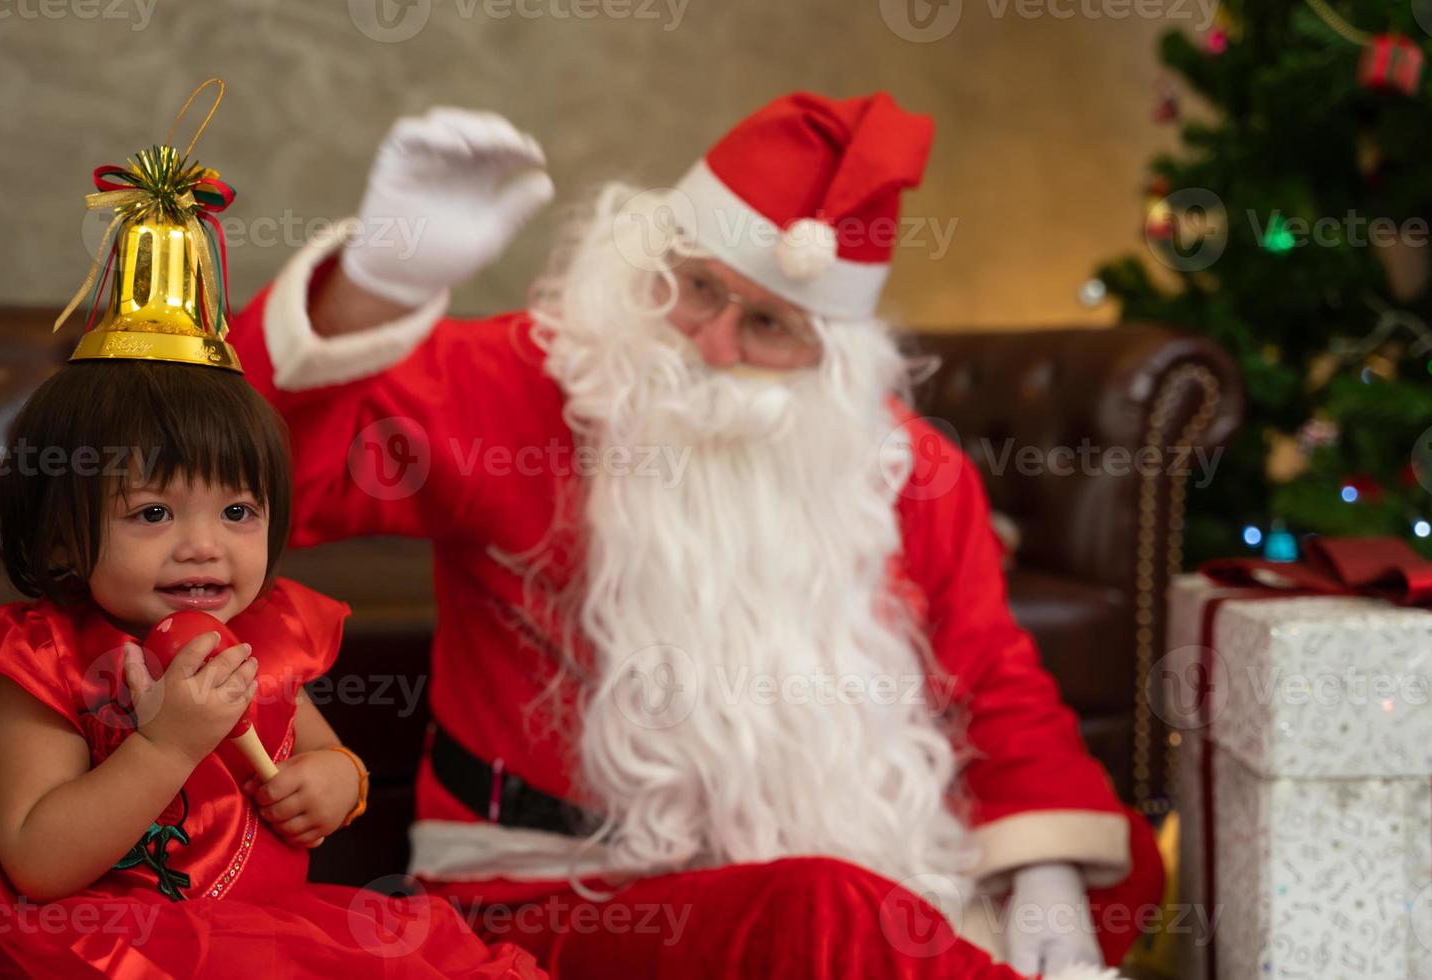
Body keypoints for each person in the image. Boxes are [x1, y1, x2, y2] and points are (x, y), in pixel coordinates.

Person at [226, 93, 1163, 979]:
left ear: (833, 352)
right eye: (692, 286)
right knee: (828, 915)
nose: (711, 342)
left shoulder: (904, 470)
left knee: (1092, 876)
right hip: (548, 891)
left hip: (833, 859)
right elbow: (244, 485)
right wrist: (373, 288)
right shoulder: (521, 380)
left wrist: (1046, 883)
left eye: (767, 323)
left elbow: (994, 683)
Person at [0, 181, 545, 979]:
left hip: (270, 931)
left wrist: (335, 781)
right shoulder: (41, 659)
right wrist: (164, 744)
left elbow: (323, 753)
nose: (203, 548)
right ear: (60, 533)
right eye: (152, 515)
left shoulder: (267, 636)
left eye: (239, 513)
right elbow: (38, 860)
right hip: (106, 949)